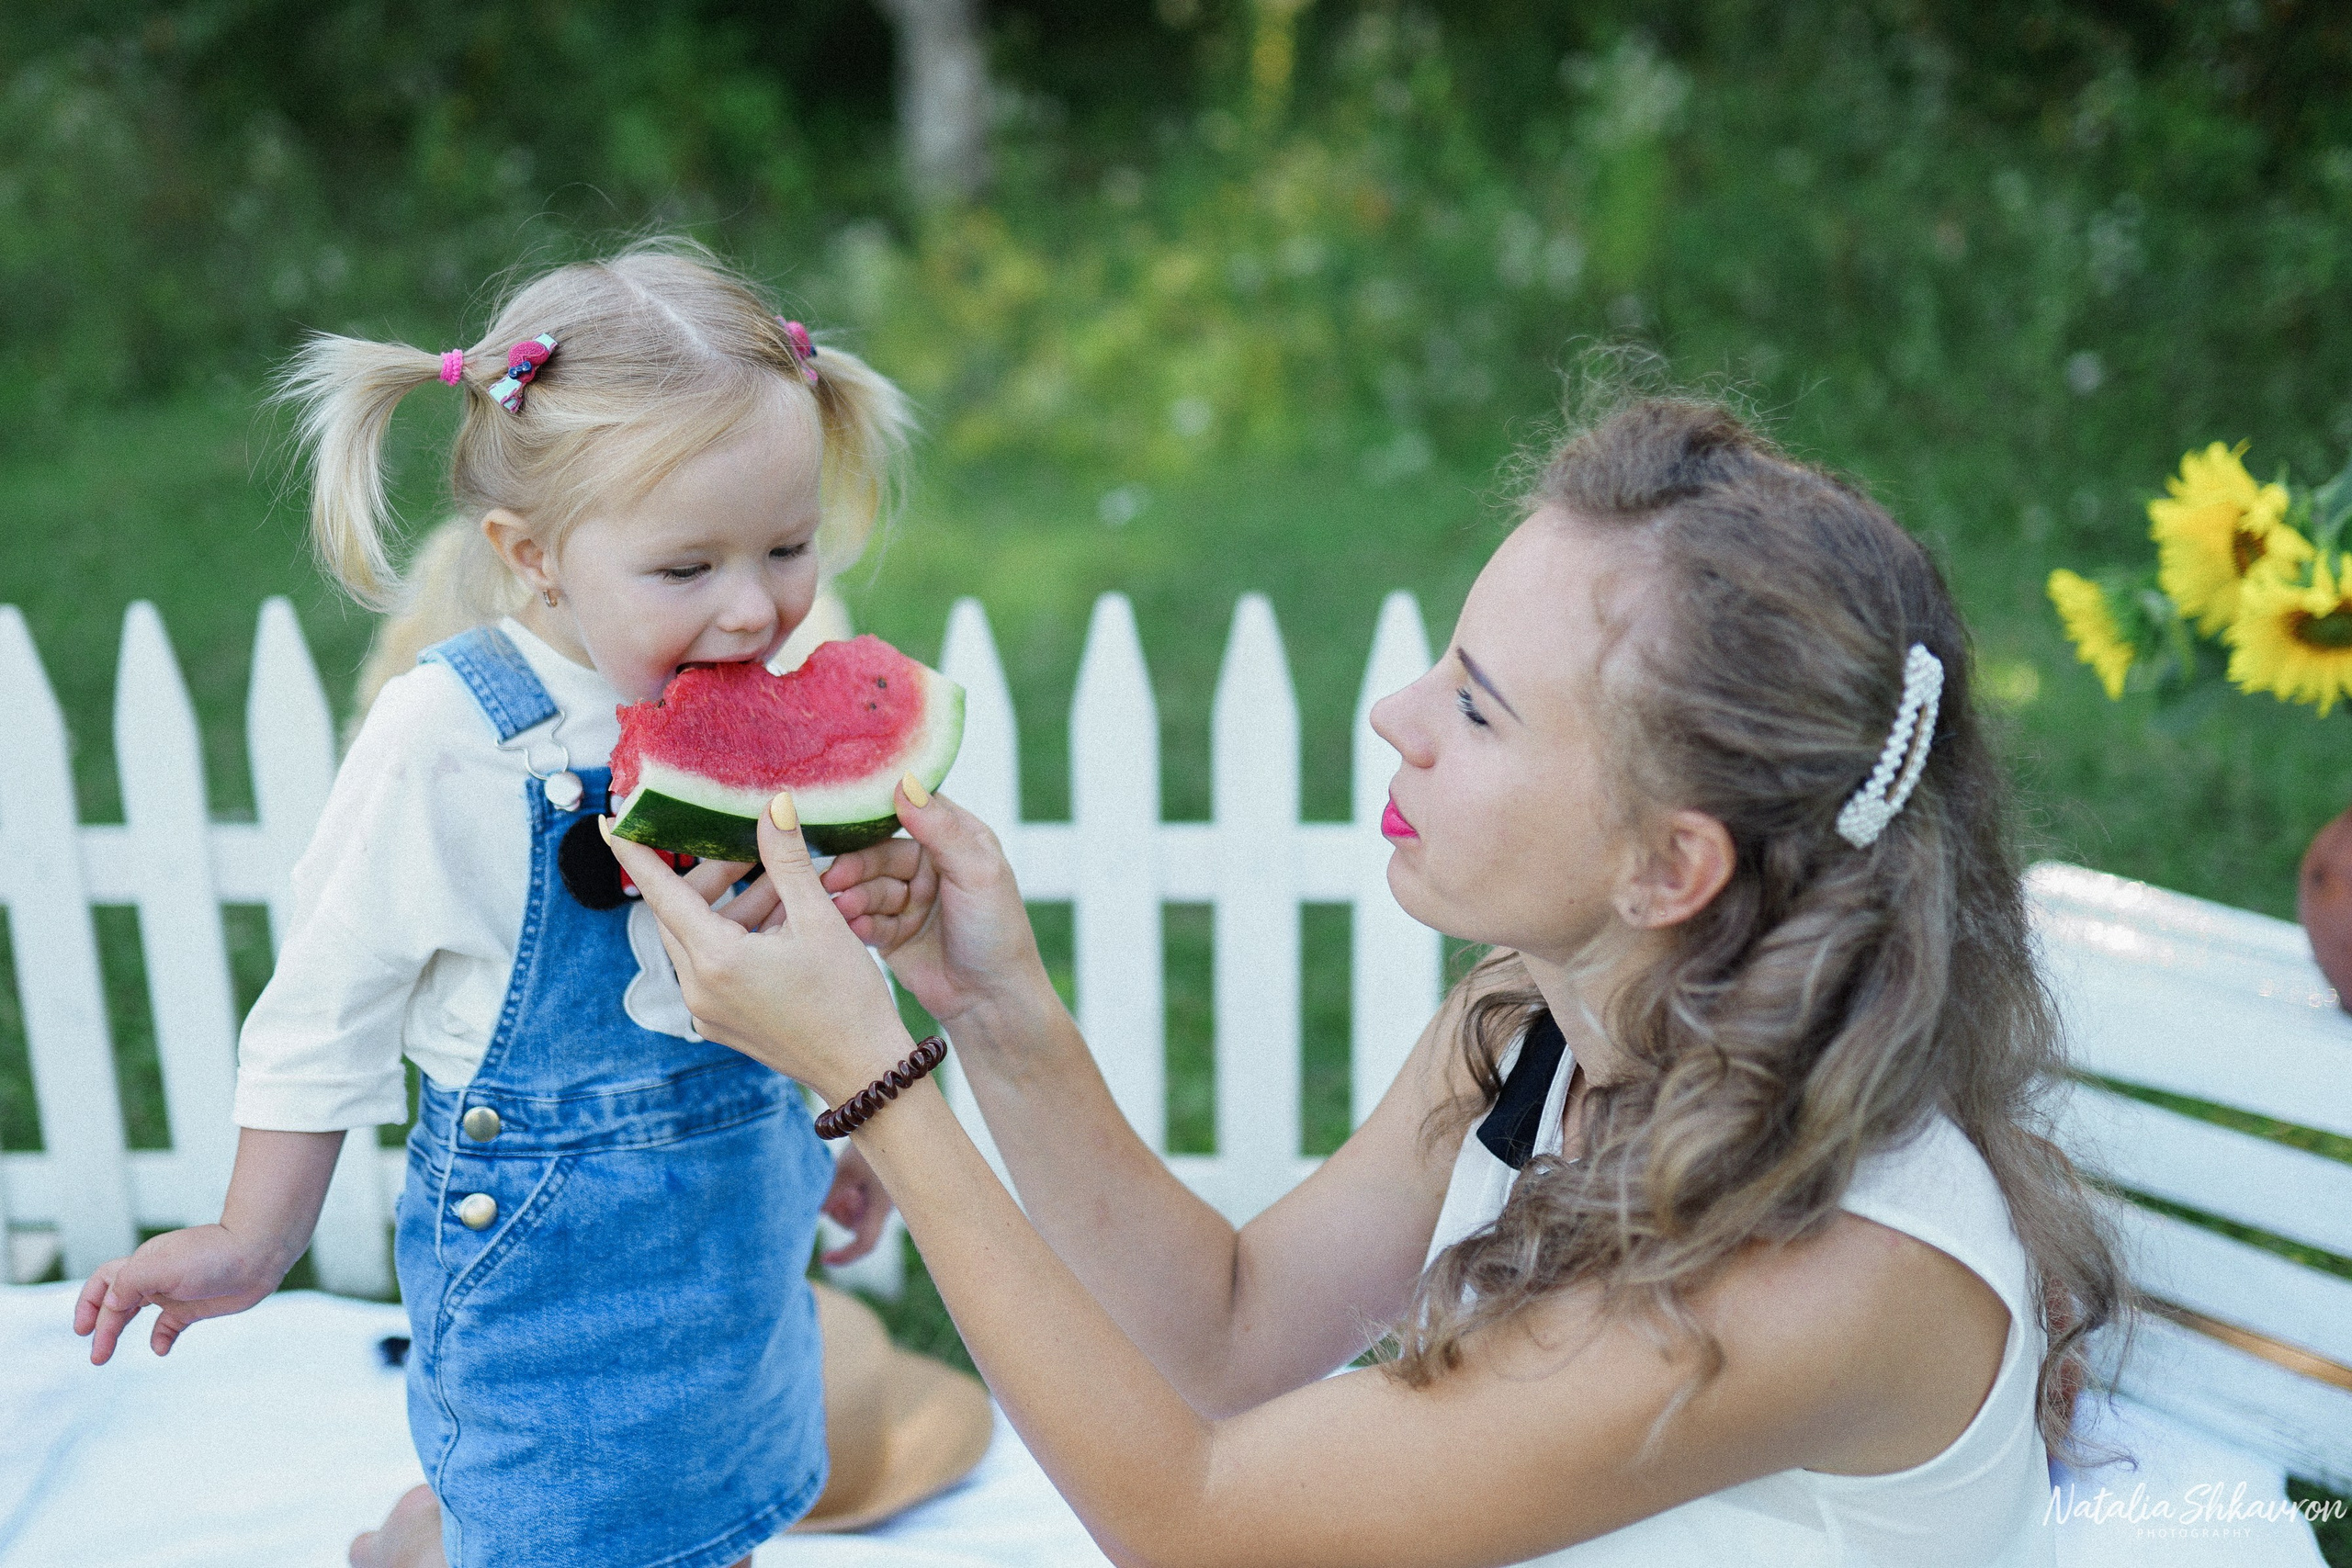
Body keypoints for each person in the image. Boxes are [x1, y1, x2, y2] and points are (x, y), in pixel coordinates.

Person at [613, 394, 2134, 1566]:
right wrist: (997, 1015)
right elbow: (1226, 1340)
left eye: (1475, 711)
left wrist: (878, 1090)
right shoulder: (1532, 1024)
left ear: (1671, 869)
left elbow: (1202, 1529)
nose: (1397, 717)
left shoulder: (1835, 1277)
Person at [73, 240, 919, 1568]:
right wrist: (255, 1235)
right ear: (534, 556)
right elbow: (325, 1007)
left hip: (741, 1260)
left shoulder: (768, 703)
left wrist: (848, 1121)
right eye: (687, 569)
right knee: (553, 1534)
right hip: (546, 1285)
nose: (755, 609)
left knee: (717, 1520)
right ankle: (424, 1544)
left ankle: (435, 1536)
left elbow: (808, 959)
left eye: (789, 547)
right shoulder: (451, 739)